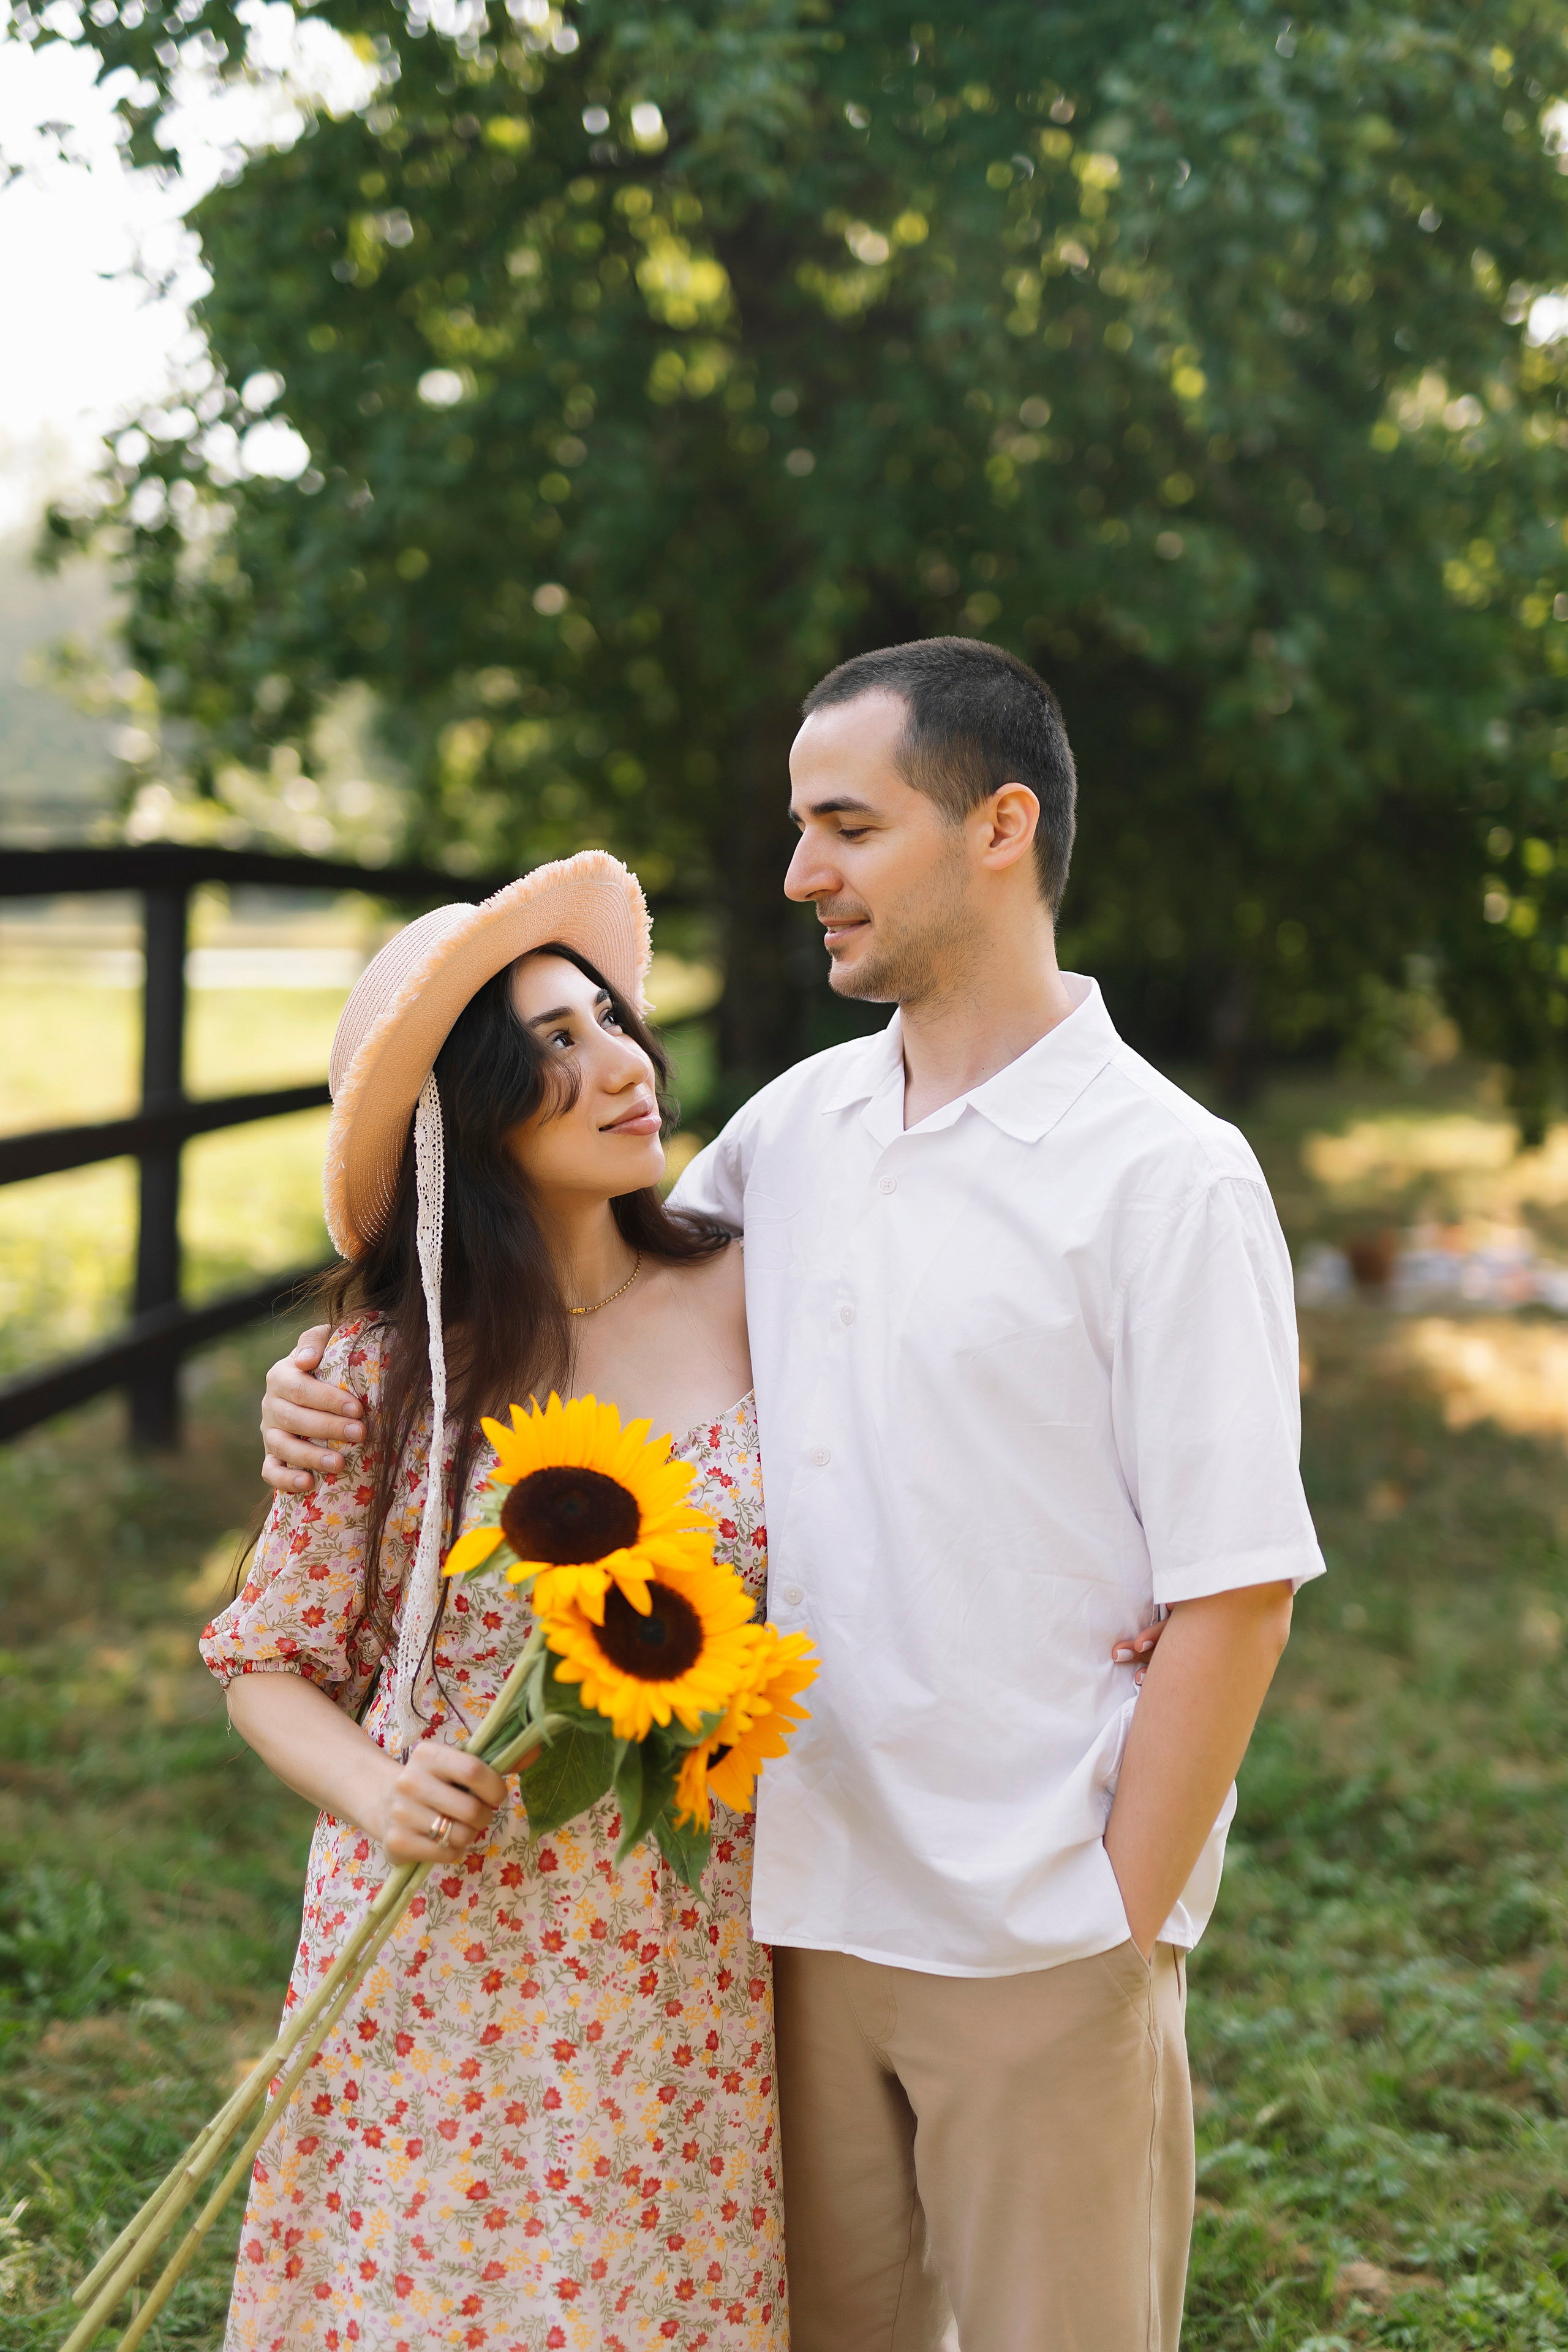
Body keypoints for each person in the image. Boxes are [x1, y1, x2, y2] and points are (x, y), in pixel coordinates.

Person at [262, 637, 1325, 2352]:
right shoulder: (795, 1132)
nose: (796, 874)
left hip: (1032, 1926)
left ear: (996, 828)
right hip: (791, 1919)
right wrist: (321, 1388)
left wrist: (1115, 1915)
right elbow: (581, 1295)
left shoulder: (1169, 1176)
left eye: (843, 825)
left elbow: (1240, 1581)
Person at [201, 851, 788, 2352]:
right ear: (462, 1123)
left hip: (679, 1938)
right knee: (424, 2292)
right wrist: (373, 1786)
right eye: (555, 1047)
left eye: (609, 1021)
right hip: (436, 1942)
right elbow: (266, 1660)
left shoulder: (769, 1294)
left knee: (646, 2295)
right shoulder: (372, 1382)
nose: (622, 1066)